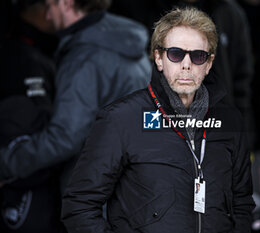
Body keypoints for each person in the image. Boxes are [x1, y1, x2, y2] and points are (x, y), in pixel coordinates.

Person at [62, 7, 255, 233]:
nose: (186, 64)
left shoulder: (230, 122)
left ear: (209, 64)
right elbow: (79, 205)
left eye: (197, 56)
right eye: (175, 53)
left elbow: (242, 204)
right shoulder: (120, 120)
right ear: (159, 58)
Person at [0, 0, 151, 198]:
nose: (46, 15)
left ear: (66, 3)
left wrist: (5, 164)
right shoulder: (125, 41)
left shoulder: (84, 59)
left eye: (50, 5)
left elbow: (64, 138)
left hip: (101, 200)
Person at [111, 0, 255, 147]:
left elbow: (242, 85)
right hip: (156, 133)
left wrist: (242, 141)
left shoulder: (229, 13)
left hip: (217, 137)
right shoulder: (137, 10)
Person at [0, 1, 60, 231]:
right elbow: (35, 131)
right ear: (45, 10)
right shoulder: (23, 57)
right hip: (26, 185)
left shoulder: (39, 52)